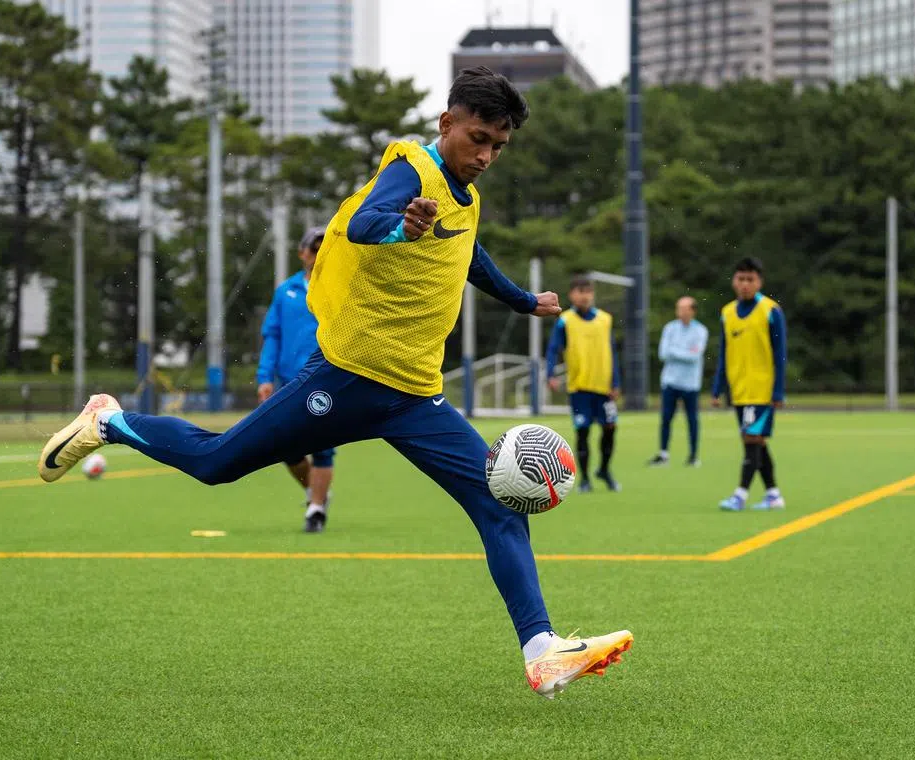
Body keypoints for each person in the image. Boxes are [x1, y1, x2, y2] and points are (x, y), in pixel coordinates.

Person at [37, 66, 632, 698]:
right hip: (347, 378)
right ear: (446, 123)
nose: (485, 155)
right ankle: (108, 421)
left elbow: (467, 250)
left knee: (496, 502)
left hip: (414, 397)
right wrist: (403, 225)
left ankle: (541, 652)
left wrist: (519, 300)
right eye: (478, 138)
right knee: (217, 463)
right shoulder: (410, 170)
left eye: (498, 146)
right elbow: (361, 223)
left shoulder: (465, 193)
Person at [257, 227, 335, 533]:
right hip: (289, 380)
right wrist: (265, 376)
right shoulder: (286, 291)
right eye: (313, 249)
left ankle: (316, 509)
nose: (318, 255)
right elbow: (272, 335)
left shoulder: (338, 286)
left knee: (323, 447)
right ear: (302, 253)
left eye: (323, 249)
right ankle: (315, 492)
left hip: (327, 377)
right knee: (285, 446)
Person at [712, 257, 787, 511]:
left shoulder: (770, 311)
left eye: (750, 279)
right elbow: (724, 353)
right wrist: (717, 388)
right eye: (740, 279)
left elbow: (780, 354)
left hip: (761, 390)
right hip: (739, 390)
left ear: (759, 282)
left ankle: (740, 494)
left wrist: (778, 390)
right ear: (734, 281)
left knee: (751, 439)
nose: (745, 284)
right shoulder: (727, 313)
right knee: (757, 442)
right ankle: (774, 495)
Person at [545, 275, 621, 494]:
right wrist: (550, 373)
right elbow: (553, 349)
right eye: (580, 291)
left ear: (592, 294)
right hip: (579, 387)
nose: (584, 296)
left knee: (610, 428)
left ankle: (604, 470)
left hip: (604, 387)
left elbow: (612, 351)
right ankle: (586, 478)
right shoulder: (565, 320)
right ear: (572, 295)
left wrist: (615, 381)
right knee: (583, 431)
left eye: (587, 291)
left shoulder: (605, 319)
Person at [649, 297, 709, 467]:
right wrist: (683, 352)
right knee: (666, 418)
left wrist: (674, 351)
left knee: (692, 420)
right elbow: (663, 353)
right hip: (670, 381)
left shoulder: (700, 331)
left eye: (685, 308)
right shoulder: (670, 328)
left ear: (693, 311)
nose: (681, 312)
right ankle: (663, 454)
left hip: (690, 383)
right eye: (679, 308)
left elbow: (694, 356)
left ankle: (693, 455)